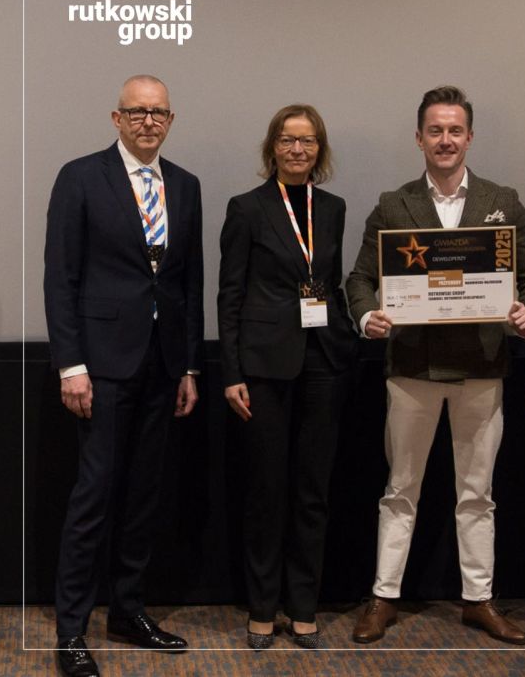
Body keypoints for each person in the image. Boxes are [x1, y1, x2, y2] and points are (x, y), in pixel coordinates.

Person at [346, 85, 525, 645]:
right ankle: (384, 597)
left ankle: (479, 600)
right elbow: (360, 278)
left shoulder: (503, 201)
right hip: (411, 368)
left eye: (455, 130)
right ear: (419, 138)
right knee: (400, 489)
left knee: (477, 493)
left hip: (482, 367)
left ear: (470, 137)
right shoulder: (393, 204)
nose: (445, 140)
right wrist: (366, 316)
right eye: (435, 130)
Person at [44, 75, 204, 677]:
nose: (147, 121)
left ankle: (127, 611)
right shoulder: (81, 177)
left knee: (142, 496)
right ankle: (71, 631)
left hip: (163, 366)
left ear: (170, 119)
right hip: (102, 367)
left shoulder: (184, 185)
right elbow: (60, 277)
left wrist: (189, 365)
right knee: (93, 497)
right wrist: (72, 365)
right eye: (136, 112)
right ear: (116, 118)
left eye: (158, 112)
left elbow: (189, 284)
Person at [217, 104, 356, 649]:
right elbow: (230, 293)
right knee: (267, 490)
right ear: (272, 147)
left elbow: (331, 282)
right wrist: (231, 371)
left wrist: (349, 335)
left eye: (308, 140)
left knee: (313, 491)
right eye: (287, 139)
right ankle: (261, 606)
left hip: (324, 360)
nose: (298, 149)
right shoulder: (247, 208)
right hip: (263, 365)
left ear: (320, 149)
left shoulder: (333, 208)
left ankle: (303, 606)